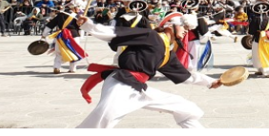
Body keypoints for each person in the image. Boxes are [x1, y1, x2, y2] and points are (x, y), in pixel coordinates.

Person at [75, 12, 222, 128]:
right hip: (121, 83)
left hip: (138, 87)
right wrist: (88, 25)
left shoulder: (167, 52)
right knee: (101, 122)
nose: (186, 32)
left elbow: (185, 76)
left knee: (186, 108)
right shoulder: (150, 35)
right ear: (170, 25)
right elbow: (115, 33)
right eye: (184, 27)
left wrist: (211, 82)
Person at [41, 3, 87, 74]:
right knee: (74, 52)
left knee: (59, 53)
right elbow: (81, 27)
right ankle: (72, 69)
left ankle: (57, 67)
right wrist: (81, 36)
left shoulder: (59, 16)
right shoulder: (77, 16)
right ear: (73, 9)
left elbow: (50, 25)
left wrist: (44, 35)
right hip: (74, 36)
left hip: (61, 36)